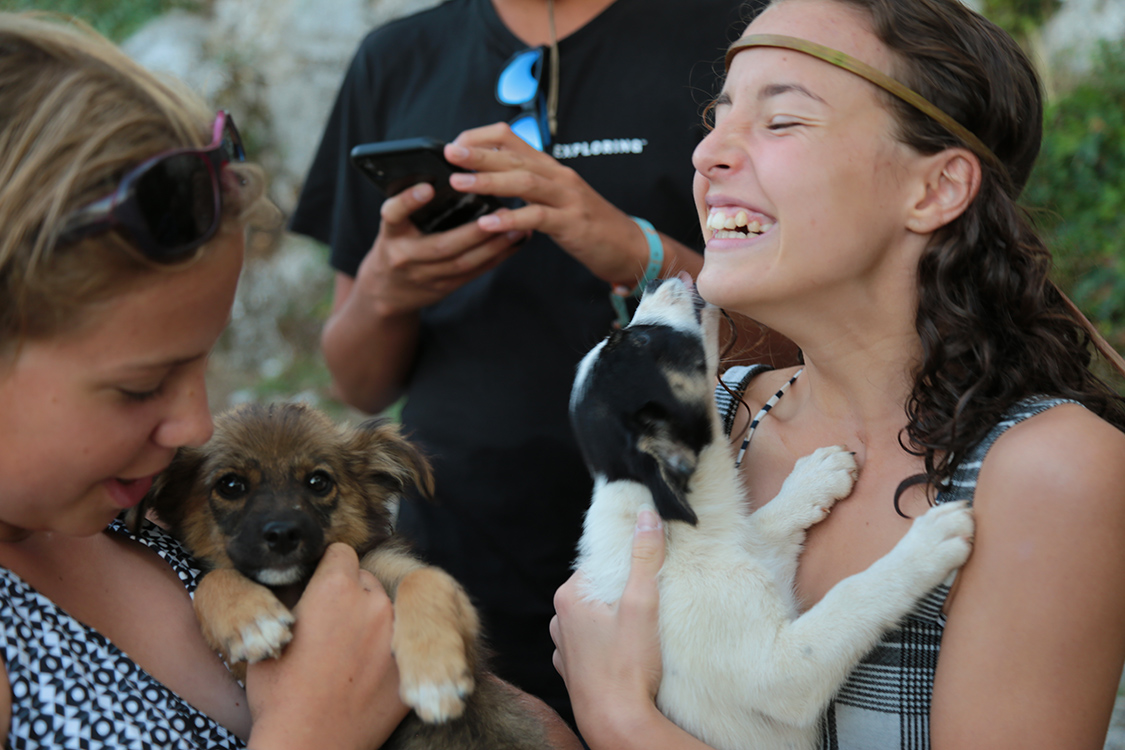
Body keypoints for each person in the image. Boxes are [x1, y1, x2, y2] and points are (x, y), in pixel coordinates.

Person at [550, 0, 1125, 748]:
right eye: (715, 117)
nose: (705, 155)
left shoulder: (1048, 471)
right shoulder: (711, 417)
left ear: (934, 189)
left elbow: (627, 707)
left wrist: (619, 719)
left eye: (780, 120)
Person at [0, 13, 579, 749]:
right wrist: (311, 733)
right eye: (141, 384)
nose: (197, 428)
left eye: (202, 365)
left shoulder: (141, 512)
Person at [289, 0, 792, 727]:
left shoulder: (736, 32)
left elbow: (806, 344)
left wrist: (640, 252)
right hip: (459, 564)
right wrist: (383, 291)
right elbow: (356, 382)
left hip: (691, 557)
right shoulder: (396, 57)